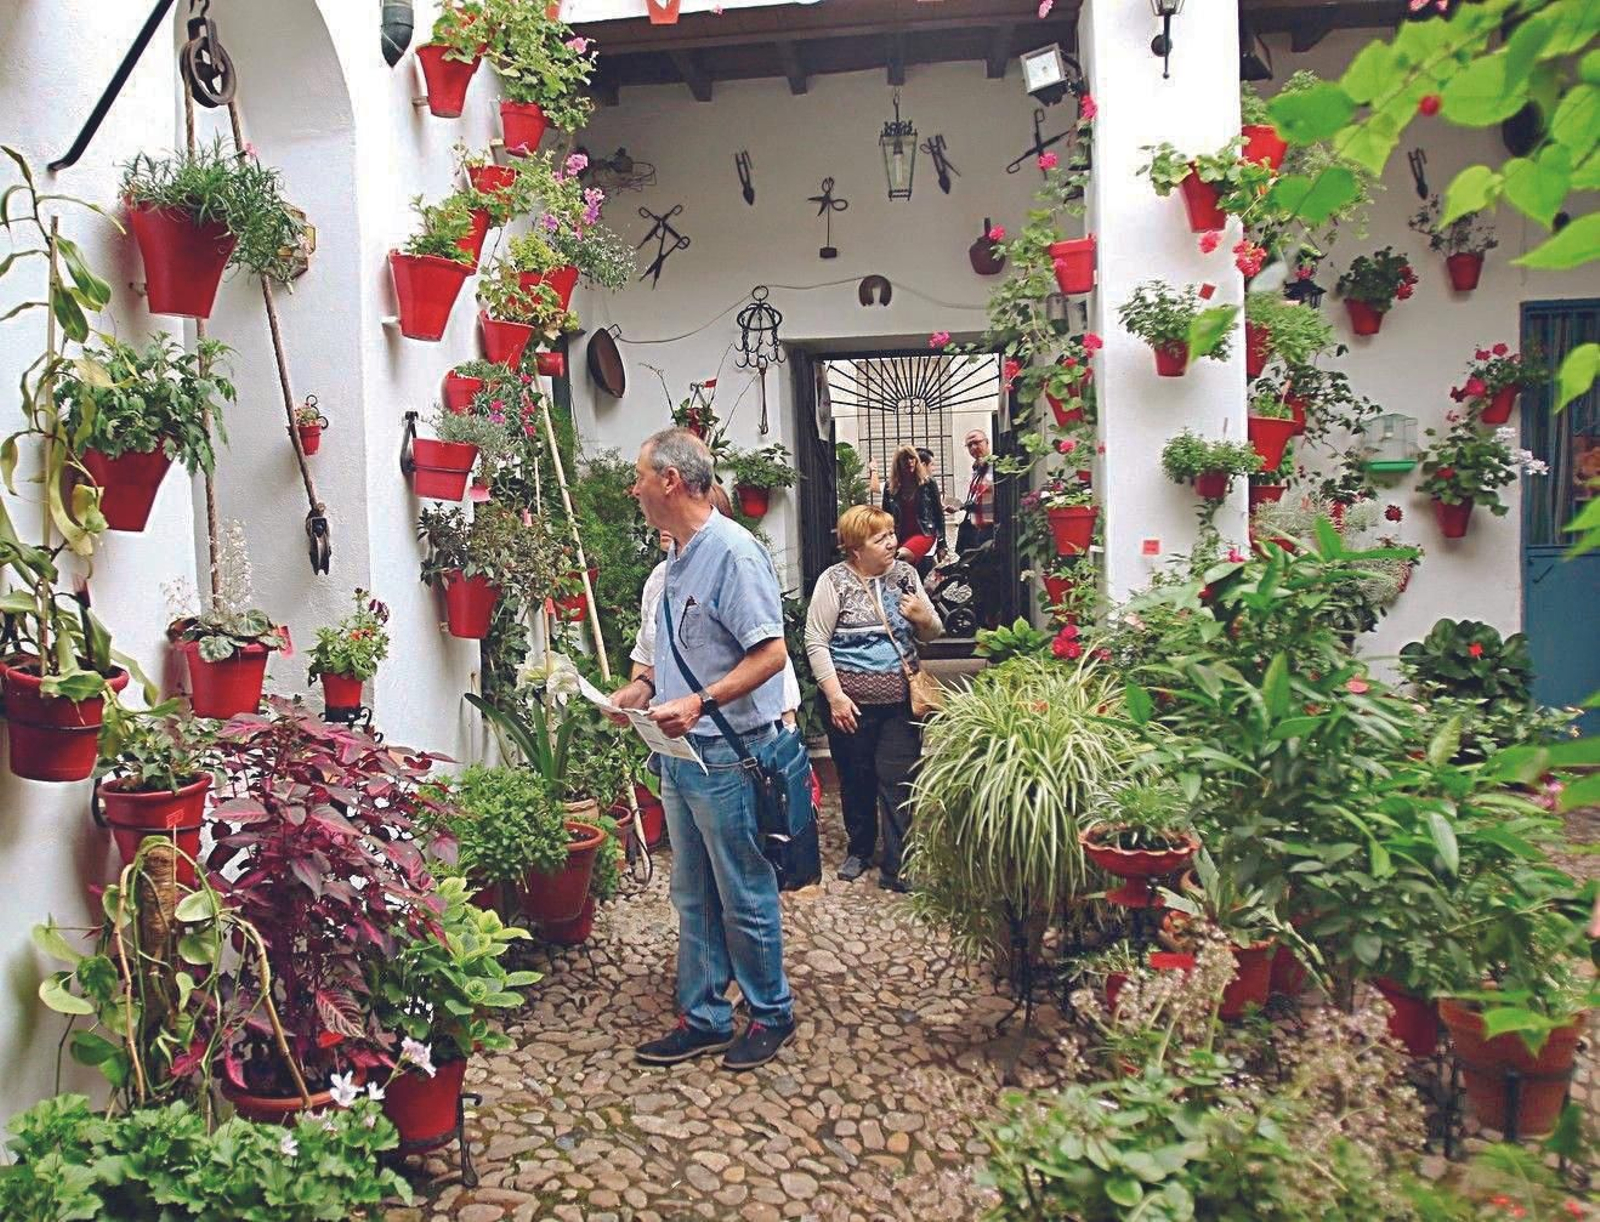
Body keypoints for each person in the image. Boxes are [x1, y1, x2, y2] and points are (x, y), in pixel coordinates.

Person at [611, 429, 796, 1071]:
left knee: (743, 889)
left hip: (728, 755)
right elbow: (665, 661)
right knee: (692, 893)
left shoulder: (734, 554)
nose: (632, 489)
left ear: (670, 480)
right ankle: (706, 1017)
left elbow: (772, 653)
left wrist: (701, 702)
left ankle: (772, 1012)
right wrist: (635, 693)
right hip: (678, 754)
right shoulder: (673, 563)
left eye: (639, 475)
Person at [804, 505, 943, 891]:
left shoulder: (906, 576)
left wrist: (923, 617)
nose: (892, 543)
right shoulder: (835, 581)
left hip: (900, 703)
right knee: (856, 778)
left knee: (899, 781)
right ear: (855, 548)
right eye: (880, 538)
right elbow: (816, 640)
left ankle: (899, 866)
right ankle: (860, 849)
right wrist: (835, 697)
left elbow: (933, 633)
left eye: (892, 534)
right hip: (850, 704)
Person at [631, 483, 804, 729]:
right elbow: (654, 652)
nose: (636, 490)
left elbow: (771, 658)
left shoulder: (736, 559)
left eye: (641, 478)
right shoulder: (664, 573)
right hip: (676, 736)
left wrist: (697, 705)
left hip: (728, 743)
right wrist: (643, 687)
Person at [880, 444, 943, 574]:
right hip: (900, 535)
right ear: (898, 463)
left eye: (912, 458)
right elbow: (885, 517)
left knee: (901, 558)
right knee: (908, 571)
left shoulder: (928, 483)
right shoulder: (889, 487)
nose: (910, 462)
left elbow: (938, 514)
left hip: (924, 533)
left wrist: (942, 544)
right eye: (905, 459)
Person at [956, 428, 996, 555]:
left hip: (992, 527)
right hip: (978, 528)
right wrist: (962, 506)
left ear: (987, 442)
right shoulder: (977, 468)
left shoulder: (995, 466)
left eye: (977, 442)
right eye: (969, 445)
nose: (973, 447)